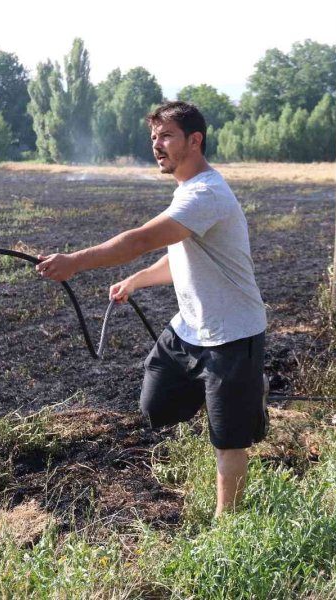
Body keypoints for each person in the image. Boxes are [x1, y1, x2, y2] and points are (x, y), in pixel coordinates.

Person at [36, 101, 267, 515]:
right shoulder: (187, 193)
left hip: (232, 335)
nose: (157, 146)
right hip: (188, 331)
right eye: (154, 138)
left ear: (195, 141)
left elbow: (138, 240)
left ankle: (226, 523)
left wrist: (75, 261)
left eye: (167, 137)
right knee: (156, 406)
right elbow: (179, 258)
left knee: (227, 438)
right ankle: (238, 396)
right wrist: (135, 281)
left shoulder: (206, 193)